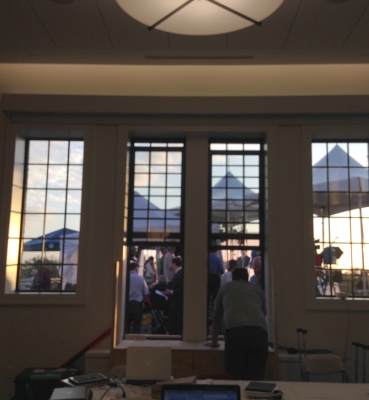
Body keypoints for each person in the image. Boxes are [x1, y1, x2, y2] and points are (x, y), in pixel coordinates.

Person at [206, 268, 268, 381]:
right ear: (247, 278)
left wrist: (214, 342)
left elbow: (216, 319)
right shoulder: (257, 289)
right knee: (256, 376)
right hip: (259, 334)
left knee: (234, 376)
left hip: (235, 334)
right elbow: (263, 314)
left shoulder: (225, 288)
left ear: (232, 278)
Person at [162, 257, 183, 335]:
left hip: (177, 302)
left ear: (174, 264)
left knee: (175, 320)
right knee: (173, 320)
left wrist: (171, 291)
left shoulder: (180, 273)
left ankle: (174, 334)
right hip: (175, 302)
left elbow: (181, 287)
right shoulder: (178, 273)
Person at [127, 262, 148, 334]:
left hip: (127, 303)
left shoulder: (125, 278)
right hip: (137, 304)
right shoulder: (140, 278)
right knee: (137, 325)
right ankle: (136, 340)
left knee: (126, 324)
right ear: (136, 268)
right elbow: (146, 292)